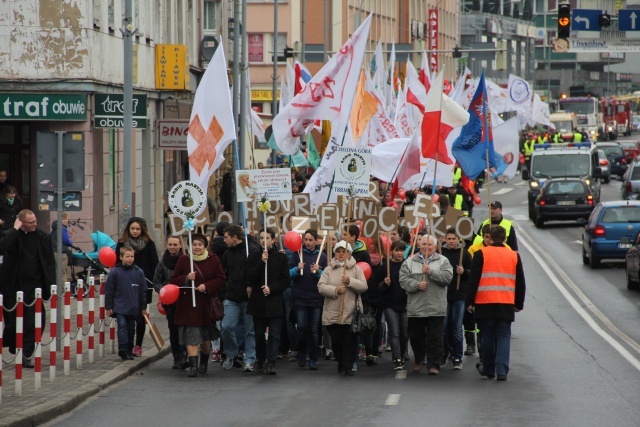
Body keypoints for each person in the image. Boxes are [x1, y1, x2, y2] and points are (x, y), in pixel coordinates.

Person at [466, 226, 526, 381]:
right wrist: (518, 304)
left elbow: (473, 280)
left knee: (487, 336)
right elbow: (520, 282)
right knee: (504, 336)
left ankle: (488, 368)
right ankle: (502, 371)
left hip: (485, 302)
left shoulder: (481, 254)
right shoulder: (514, 255)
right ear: (505, 239)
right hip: (505, 302)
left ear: (490, 238)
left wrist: (470, 301)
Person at [0, 209, 55, 368]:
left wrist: (51, 284)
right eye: (31, 222)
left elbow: (49, 261)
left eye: (35, 221)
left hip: (35, 287)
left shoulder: (42, 236)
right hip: (13, 286)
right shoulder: (13, 235)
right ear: (21, 222)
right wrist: (15, 230)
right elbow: (2, 247)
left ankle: (26, 354)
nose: (35, 224)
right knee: (13, 321)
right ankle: (15, 346)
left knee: (33, 322)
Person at [171, 233, 226, 377]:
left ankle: (203, 362)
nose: (197, 247)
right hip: (188, 305)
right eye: (194, 244)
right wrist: (186, 278)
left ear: (204, 246)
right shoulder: (184, 260)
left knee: (205, 339)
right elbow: (174, 280)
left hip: (206, 305)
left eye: (200, 245)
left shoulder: (213, 260)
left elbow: (221, 279)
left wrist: (206, 286)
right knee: (192, 336)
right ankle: (193, 367)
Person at [399, 234, 453, 375]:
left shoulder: (443, 261)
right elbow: (403, 281)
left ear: (435, 247)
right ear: (419, 245)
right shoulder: (409, 262)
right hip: (416, 307)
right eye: (423, 244)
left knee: (436, 338)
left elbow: (447, 278)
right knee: (416, 336)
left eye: (429, 245)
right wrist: (416, 285)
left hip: (436, 307)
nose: (426, 247)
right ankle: (418, 359)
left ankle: (433, 364)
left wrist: (431, 272)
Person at [318, 241, 367, 376]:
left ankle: (348, 366)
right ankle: (340, 360)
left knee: (348, 341)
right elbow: (321, 287)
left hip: (350, 311)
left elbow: (363, 286)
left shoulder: (356, 269)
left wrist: (350, 281)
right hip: (332, 312)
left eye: (343, 251)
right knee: (336, 341)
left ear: (349, 253)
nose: (341, 254)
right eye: (338, 251)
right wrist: (335, 290)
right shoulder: (329, 269)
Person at [247, 228, 290, 375]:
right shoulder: (253, 256)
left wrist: (271, 288)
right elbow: (250, 277)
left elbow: (285, 280)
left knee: (274, 335)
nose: (264, 241)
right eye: (262, 238)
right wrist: (261, 262)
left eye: (267, 238)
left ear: (273, 240)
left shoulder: (281, 258)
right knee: (259, 334)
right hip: (258, 302)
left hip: (274, 301)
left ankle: (271, 363)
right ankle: (260, 359)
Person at [116, 217, 159, 356]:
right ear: (128, 229)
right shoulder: (122, 244)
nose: (135, 231)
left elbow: (155, 265)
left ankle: (138, 345)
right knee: (126, 317)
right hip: (125, 285)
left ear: (142, 230)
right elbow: (117, 263)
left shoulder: (149, 244)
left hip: (143, 285)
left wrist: (154, 284)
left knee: (141, 316)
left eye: (138, 229)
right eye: (132, 228)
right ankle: (126, 345)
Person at [220, 224, 261, 372]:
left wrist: (250, 284)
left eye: (226, 237)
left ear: (235, 237)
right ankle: (231, 353)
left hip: (248, 298)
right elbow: (223, 274)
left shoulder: (252, 250)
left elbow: (256, 272)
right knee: (226, 327)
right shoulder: (228, 253)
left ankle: (250, 358)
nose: (224, 240)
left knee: (250, 330)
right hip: (231, 296)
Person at [289, 229, 327, 370]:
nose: (308, 242)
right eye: (306, 239)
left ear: (317, 241)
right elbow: (288, 274)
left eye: (311, 240)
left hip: (316, 298)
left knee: (313, 329)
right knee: (302, 328)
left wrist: (319, 272)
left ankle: (313, 357)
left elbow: (327, 277)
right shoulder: (297, 254)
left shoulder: (322, 256)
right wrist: (296, 269)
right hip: (300, 298)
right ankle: (302, 352)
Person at [105, 246, 148, 361]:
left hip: (133, 307)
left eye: (132, 256)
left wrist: (143, 307)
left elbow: (143, 291)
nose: (130, 259)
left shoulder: (138, 272)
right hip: (119, 306)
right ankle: (123, 348)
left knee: (131, 328)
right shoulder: (115, 272)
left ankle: (129, 349)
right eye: (127, 256)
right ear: (121, 257)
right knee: (122, 326)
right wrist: (108, 306)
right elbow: (109, 290)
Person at [439, 228, 472, 370]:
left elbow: (472, 274)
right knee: (444, 327)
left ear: (459, 239)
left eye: (454, 239)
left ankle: (457, 357)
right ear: (444, 239)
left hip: (459, 295)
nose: (451, 241)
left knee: (457, 327)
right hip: (443, 294)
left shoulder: (464, 254)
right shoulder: (440, 253)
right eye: (449, 239)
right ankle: (445, 352)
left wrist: (464, 272)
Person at [153, 235, 185, 369]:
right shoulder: (162, 263)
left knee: (184, 328)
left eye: (175, 245)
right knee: (173, 329)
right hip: (169, 302)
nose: (172, 247)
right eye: (170, 244)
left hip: (184, 300)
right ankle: (176, 357)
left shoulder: (185, 261)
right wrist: (164, 291)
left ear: (180, 246)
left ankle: (185, 355)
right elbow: (156, 281)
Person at [377, 240, 409, 370]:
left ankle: (402, 353)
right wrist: (385, 283)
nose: (399, 253)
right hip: (390, 303)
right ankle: (396, 358)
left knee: (404, 333)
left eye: (401, 250)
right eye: (396, 250)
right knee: (394, 332)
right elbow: (378, 287)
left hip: (406, 304)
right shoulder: (386, 266)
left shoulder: (408, 265)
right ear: (392, 251)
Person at [50, 212, 75, 286]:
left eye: (67, 219)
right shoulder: (62, 229)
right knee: (62, 272)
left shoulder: (55, 228)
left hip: (54, 252)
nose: (66, 221)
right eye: (64, 219)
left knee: (56, 272)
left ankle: (56, 290)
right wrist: (71, 243)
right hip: (61, 253)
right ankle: (63, 291)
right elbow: (66, 240)